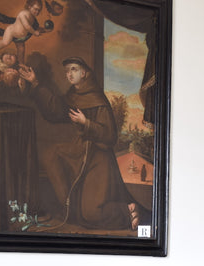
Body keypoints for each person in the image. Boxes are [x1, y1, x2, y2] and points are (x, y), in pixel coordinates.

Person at [18, 56, 144, 230]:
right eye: (67, 70)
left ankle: (127, 210)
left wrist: (86, 123)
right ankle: (67, 206)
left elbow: (110, 136)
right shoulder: (74, 95)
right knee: (50, 155)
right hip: (80, 152)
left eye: (74, 69)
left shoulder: (97, 99)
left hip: (99, 159)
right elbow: (56, 109)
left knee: (91, 214)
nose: (69, 74)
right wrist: (35, 83)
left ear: (84, 73)